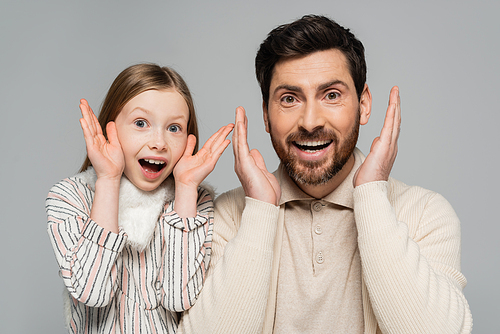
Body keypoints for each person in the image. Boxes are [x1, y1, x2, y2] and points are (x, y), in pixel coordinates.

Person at [178, 15, 472, 333]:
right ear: (265, 115)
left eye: (331, 95)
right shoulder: (227, 216)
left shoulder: (425, 213)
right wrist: (260, 211)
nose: (310, 121)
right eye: (289, 99)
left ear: (364, 104)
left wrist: (372, 195)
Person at [46, 63, 234, 333]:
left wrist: (186, 188)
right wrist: (109, 180)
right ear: (110, 128)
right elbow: (92, 293)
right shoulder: (69, 197)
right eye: (141, 123)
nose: (159, 142)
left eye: (174, 128)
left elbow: (179, 299)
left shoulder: (194, 200)